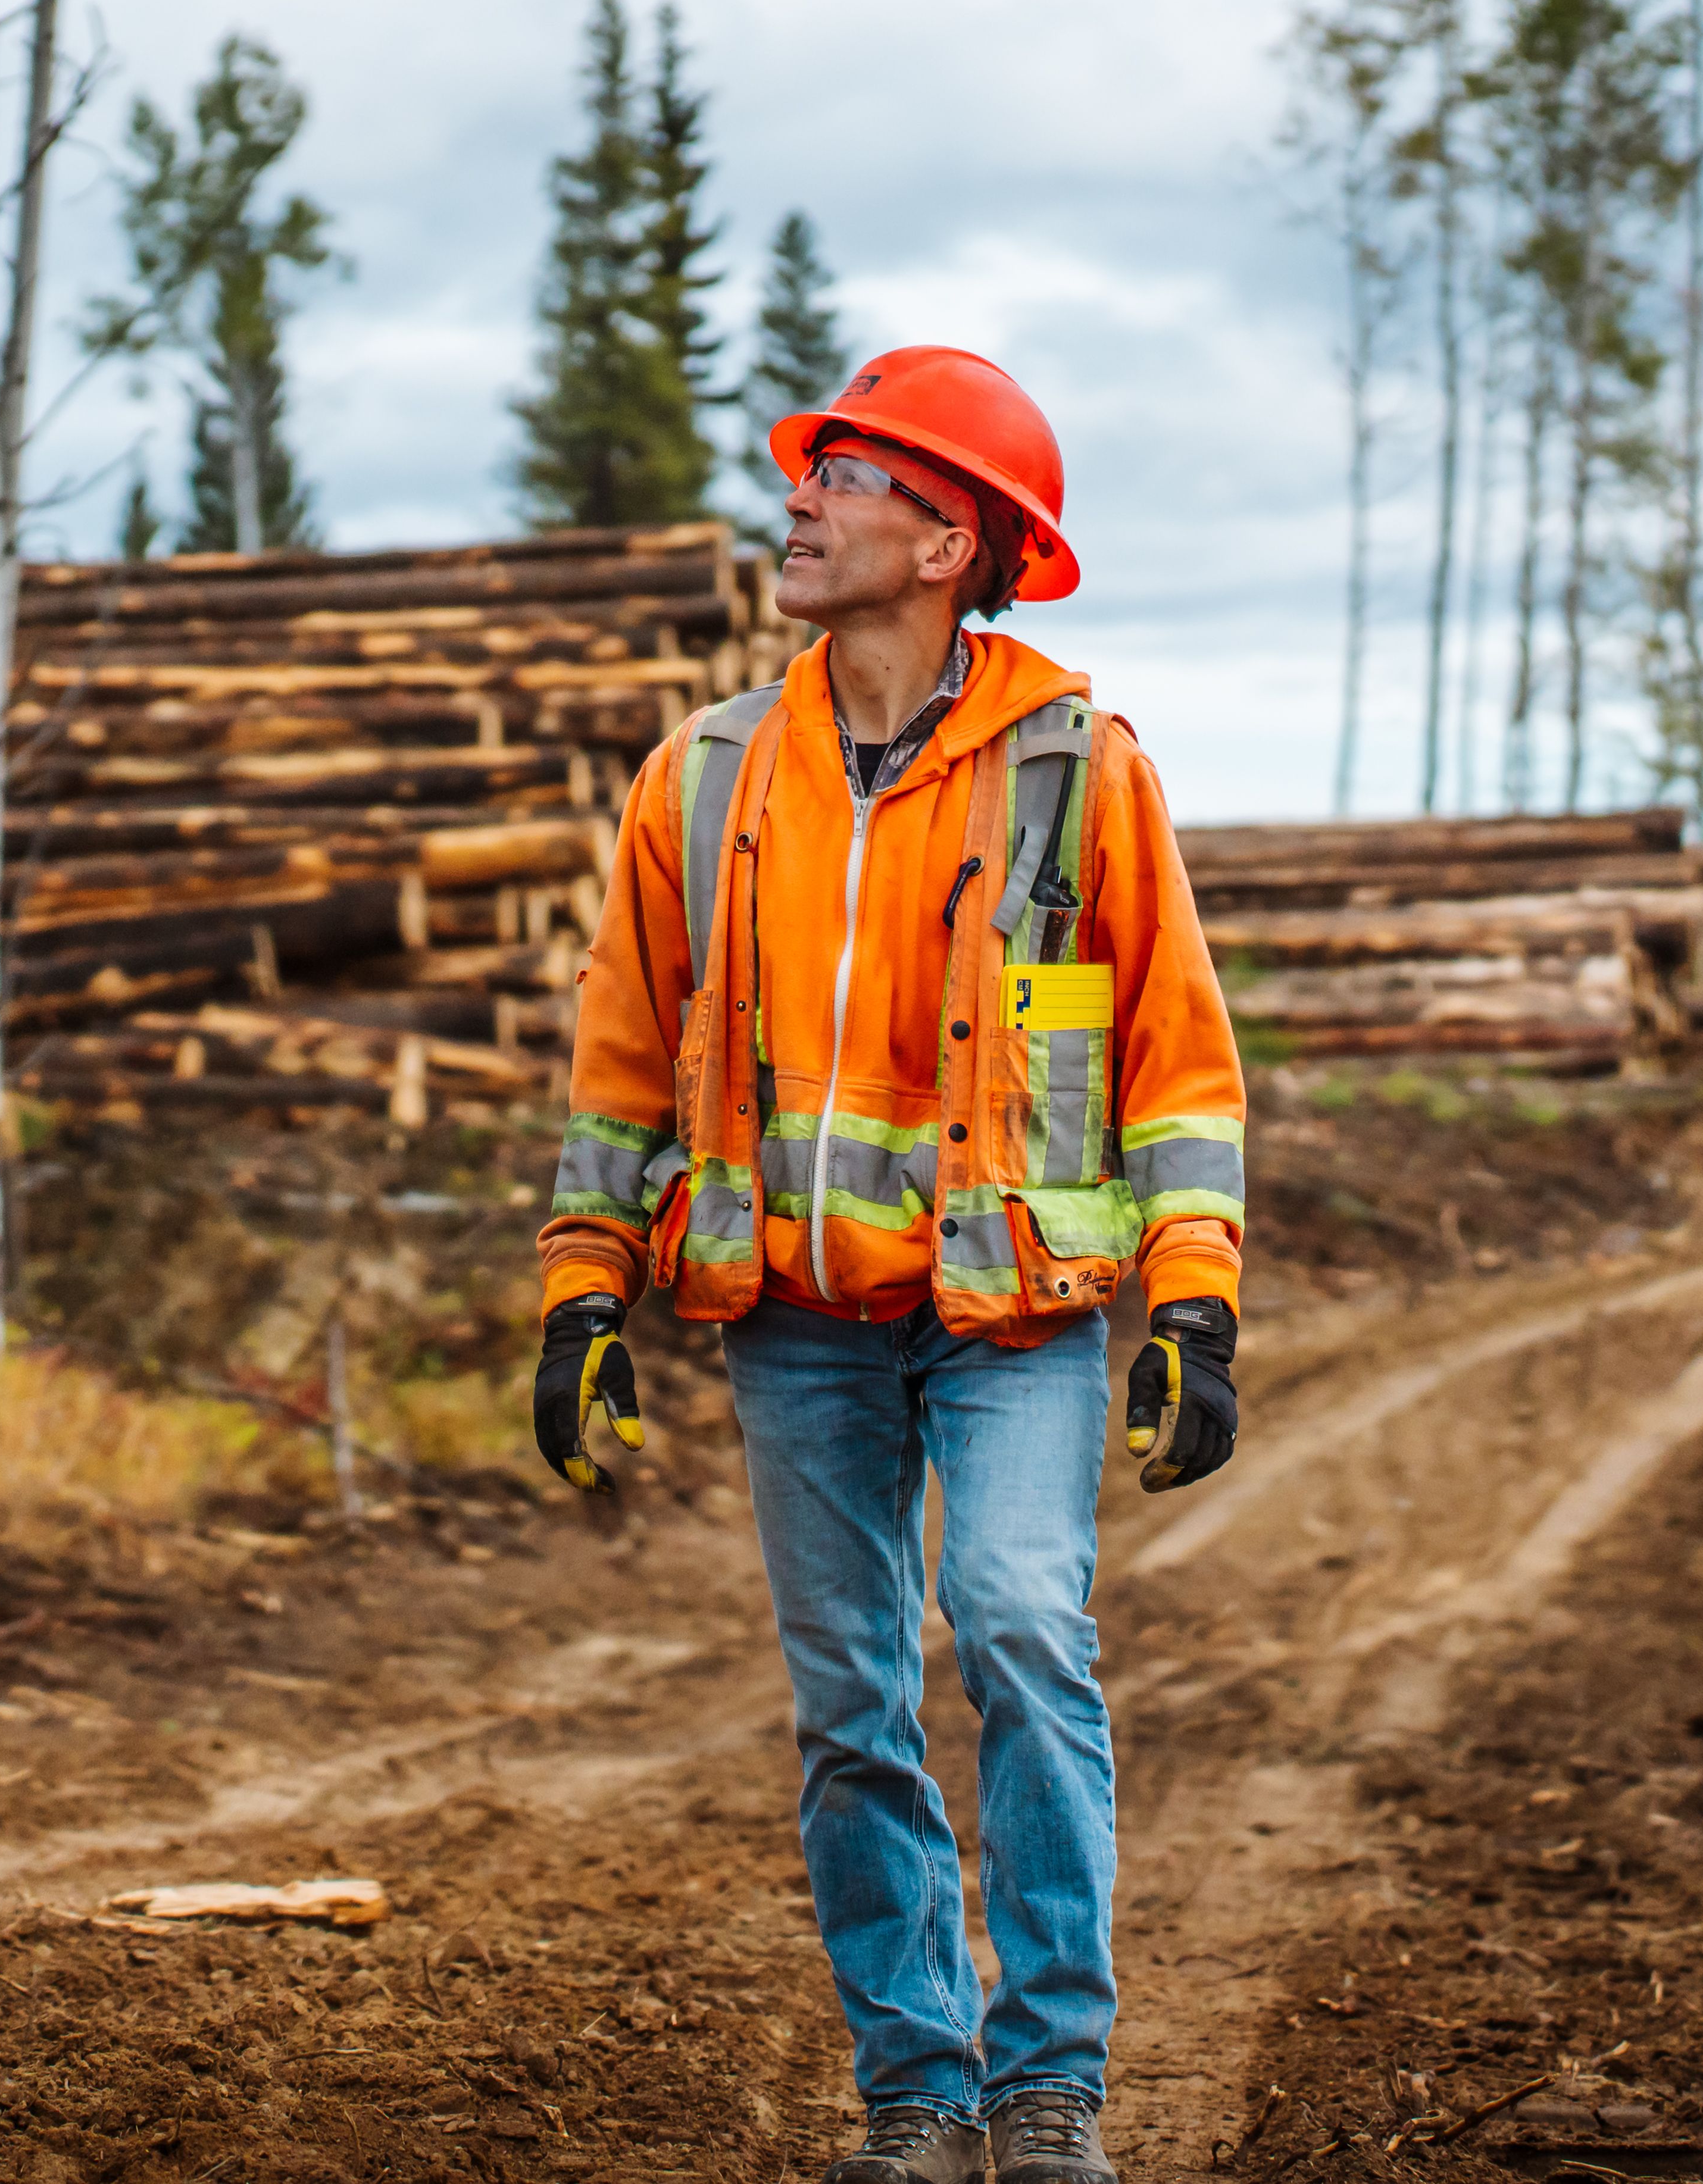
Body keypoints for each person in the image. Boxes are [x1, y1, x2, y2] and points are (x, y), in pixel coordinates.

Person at [529, 346, 1248, 2184]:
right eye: (813, 466)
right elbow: (626, 1056)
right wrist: (582, 1281)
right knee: (850, 1698)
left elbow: (1173, 1060)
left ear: (949, 539)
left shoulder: (1078, 771)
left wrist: (1195, 1296)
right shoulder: (703, 781)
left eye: (846, 474)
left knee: (1018, 1626)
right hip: (791, 1322)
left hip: (1014, 1321)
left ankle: (1050, 2082)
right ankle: (917, 2096)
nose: (802, 496)